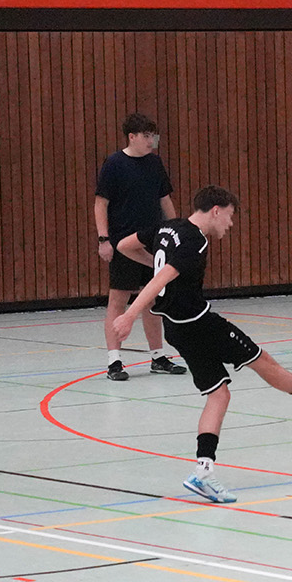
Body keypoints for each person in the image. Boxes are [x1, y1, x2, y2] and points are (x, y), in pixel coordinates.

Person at [112, 185, 292, 503]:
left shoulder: (167, 227)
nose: (230, 224)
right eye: (229, 217)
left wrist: (155, 264)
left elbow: (124, 245)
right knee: (262, 360)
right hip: (200, 324)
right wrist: (129, 315)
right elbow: (161, 279)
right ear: (215, 210)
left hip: (175, 328)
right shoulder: (193, 240)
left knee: (218, 394)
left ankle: (203, 471)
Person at [95, 113, 186, 381]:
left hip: (153, 242)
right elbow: (101, 203)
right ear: (131, 137)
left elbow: (164, 199)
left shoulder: (155, 163)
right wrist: (103, 239)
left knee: (152, 300)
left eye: (153, 136)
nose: (151, 141)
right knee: (118, 301)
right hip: (124, 243)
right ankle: (114, 361)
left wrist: (176, 230)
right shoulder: (114, 164)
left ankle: (158, 356)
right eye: (146, 136)